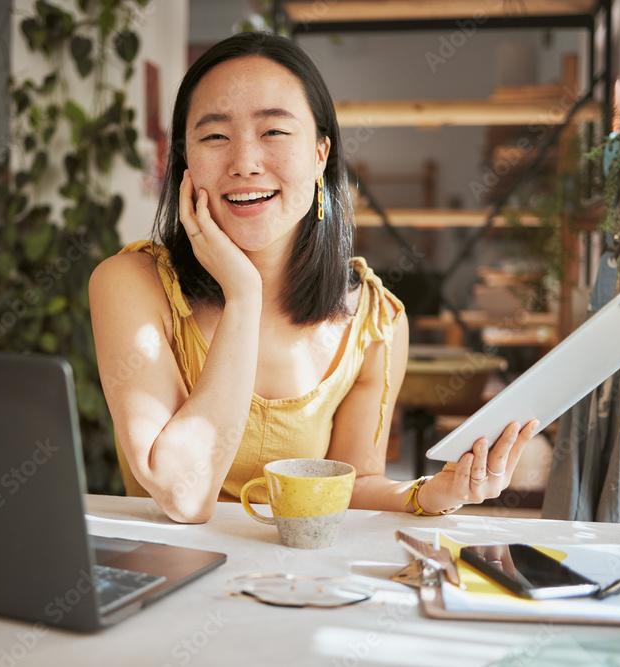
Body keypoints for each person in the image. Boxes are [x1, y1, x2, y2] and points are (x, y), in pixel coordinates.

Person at [90, 32, 538, 524]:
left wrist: (430, 492)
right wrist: (244, 295)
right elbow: (183, 494)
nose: (244, 163)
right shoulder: (131, 285)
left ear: (321, 155)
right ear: (185, 162)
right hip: (171, 585)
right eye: (214, 136)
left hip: (302, 584)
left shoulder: (374, 321)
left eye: (275, 132)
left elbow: (353, 483)